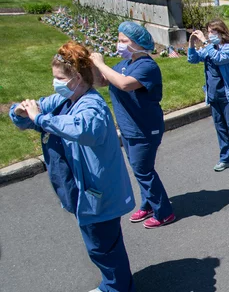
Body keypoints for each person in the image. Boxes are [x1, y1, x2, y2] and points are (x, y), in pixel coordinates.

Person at [10, 42, 136, 292]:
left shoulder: (93, 106)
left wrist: (40, 118)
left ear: (77, 78)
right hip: (84, 189)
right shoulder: (63, 99)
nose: (54, 82)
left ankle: (117, 288)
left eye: (59, 78)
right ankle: (115, 284)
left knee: (103, 248)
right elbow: (35, 111)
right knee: (103, 244)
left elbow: (82, 130)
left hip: (97, 191)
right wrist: (20, 111)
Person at [90, 21, 176, 229]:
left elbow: (124, 84)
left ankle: (164, 212)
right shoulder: (124, 65)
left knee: (143, 170)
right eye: (119, 40)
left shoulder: (147, 66)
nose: (119, 44)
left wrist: (101, 64)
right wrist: (89, 64)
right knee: (140, 170)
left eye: (123, 41)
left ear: (138, 43)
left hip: (145, 129)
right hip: (129, 128)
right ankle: (148, 204)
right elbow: (103, 81)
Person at [187, 19, 229, 173]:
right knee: (220, 129)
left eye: (212, 31)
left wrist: (205, 42)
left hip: (228, 96)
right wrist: (191, 43)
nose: (209, 34)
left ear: (221, 32)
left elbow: (219, 59)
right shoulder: (209, 48)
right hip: (213, 96)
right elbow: (192, 59)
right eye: (208, 31)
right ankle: (225, 159)